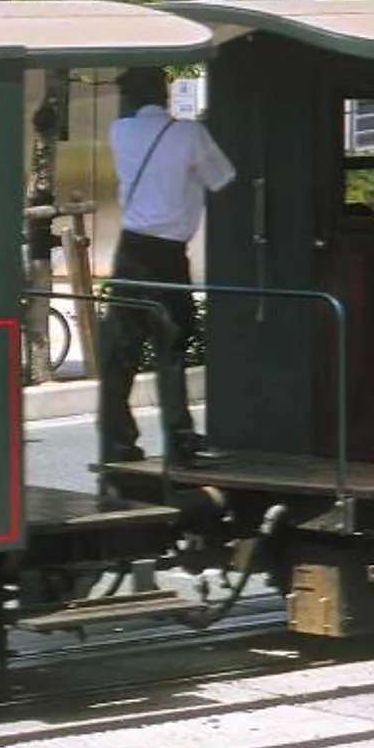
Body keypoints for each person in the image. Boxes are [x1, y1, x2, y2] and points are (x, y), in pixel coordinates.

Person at [101, 67, 236, 465]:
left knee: (122, 349)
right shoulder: (189, 135)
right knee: (171, 346)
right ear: (165, 95)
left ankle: (117, 439)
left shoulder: (118, 133)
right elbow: (223, 179)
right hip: (168, 254)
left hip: (130, 251)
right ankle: (178, 437)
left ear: (129, 99)